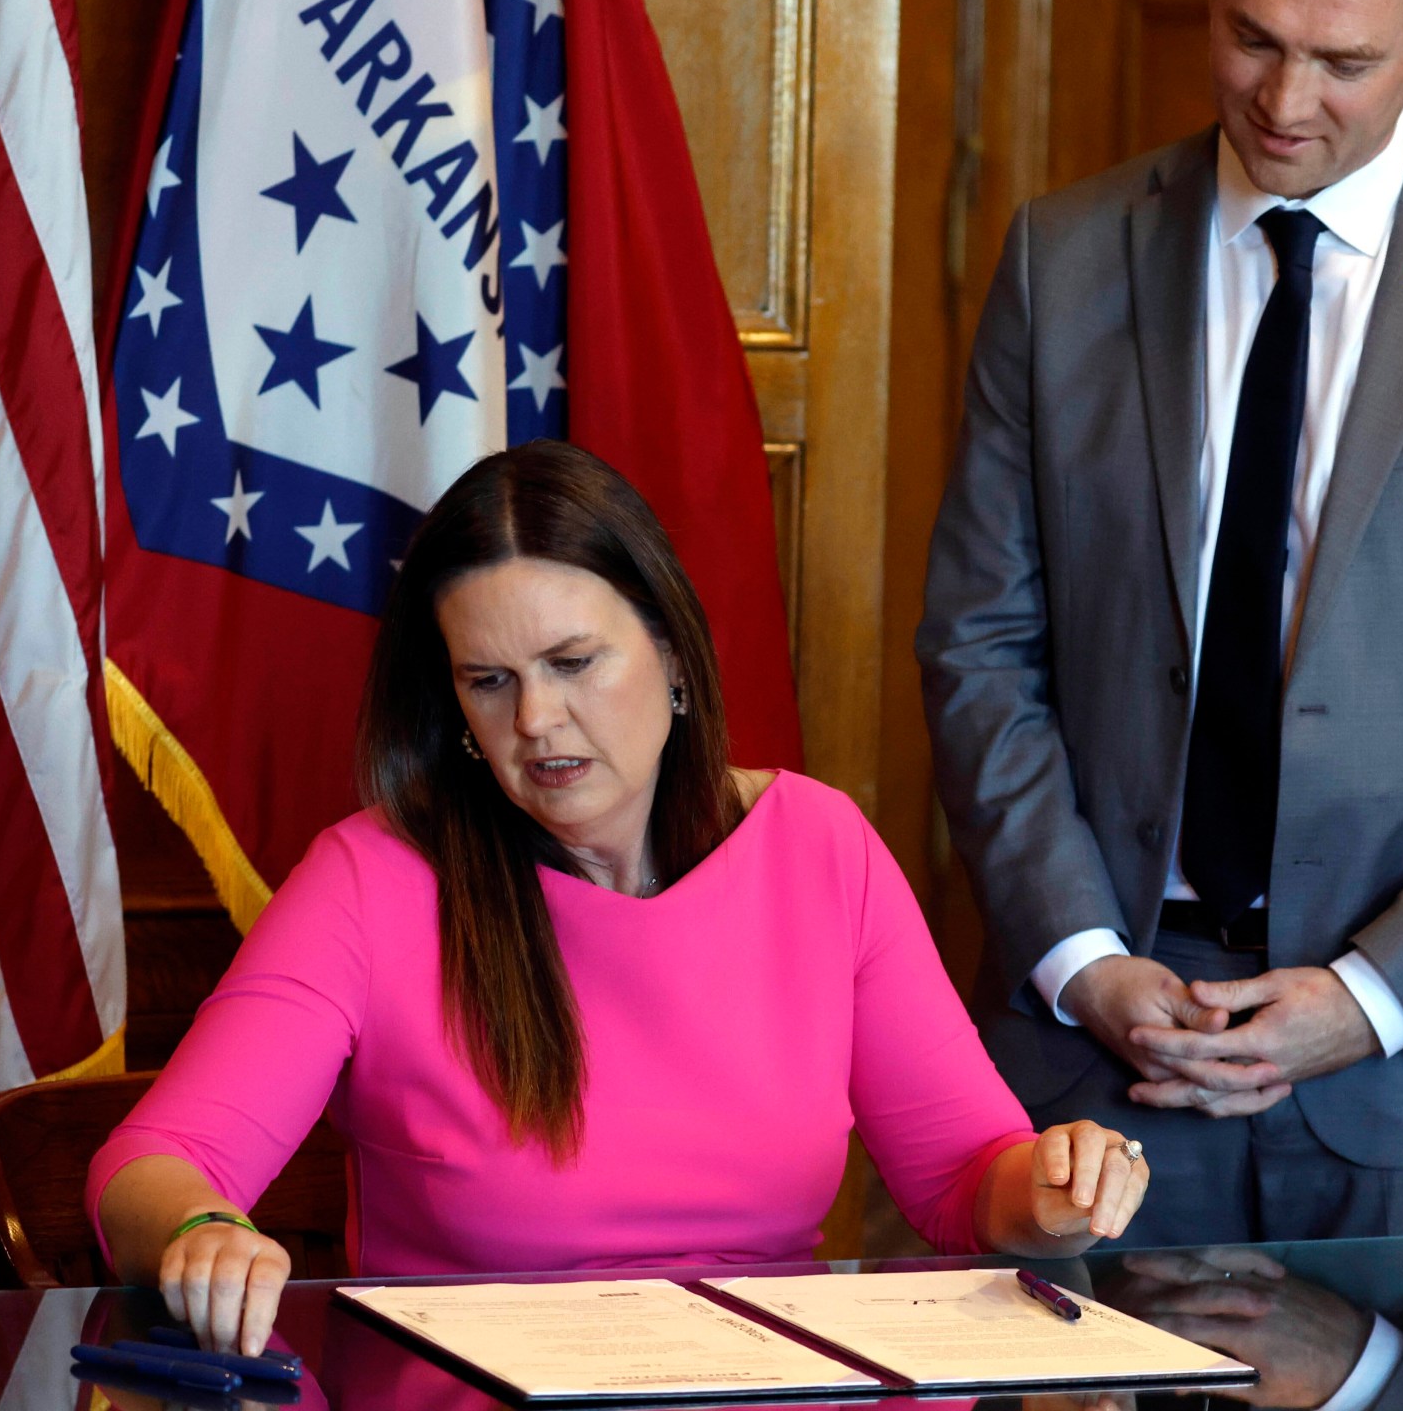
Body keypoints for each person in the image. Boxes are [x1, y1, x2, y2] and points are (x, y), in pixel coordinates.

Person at [92, 441, 1153, 1355]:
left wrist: (1057, 1190)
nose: (539, 721)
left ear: (671, 651)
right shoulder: (373, 877)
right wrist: (196, 1231)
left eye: (573, 661)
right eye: (489, 681)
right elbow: (152, 1163)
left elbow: (967, 1179)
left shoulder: (821, 845)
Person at [917, 0, 1403, 1247]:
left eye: (1342, 61)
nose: (1282, 99)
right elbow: (980, 641)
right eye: (1250, 41)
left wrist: (1370, 995)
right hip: (1102, 1049)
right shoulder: (1066, 257)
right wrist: (1080, 958)